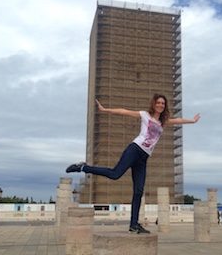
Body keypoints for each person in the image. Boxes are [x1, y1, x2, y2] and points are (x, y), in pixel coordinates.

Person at [66, 94, 201, 234]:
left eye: (163, 103)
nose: (161, 105)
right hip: (134, 150)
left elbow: (178, 120)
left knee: (138, 191)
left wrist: (192, 120)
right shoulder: (145, 115)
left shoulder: (163, 121)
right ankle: (82, 167)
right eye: (158, 102)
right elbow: (124, 111)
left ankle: (134, 224)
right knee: (115, 174)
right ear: (154, 104)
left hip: (143, 158)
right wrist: (105, 110)